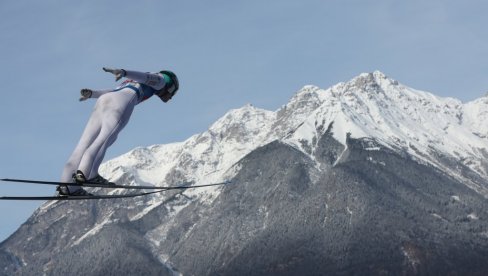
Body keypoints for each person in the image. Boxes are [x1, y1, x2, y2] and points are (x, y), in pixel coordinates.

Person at [57, 67, 179, 196]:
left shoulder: (131, 82)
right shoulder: (160, 80)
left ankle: (67, 186)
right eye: (172, 91)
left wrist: (93, 94)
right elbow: (145, 77)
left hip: (104, 99)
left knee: (84, 143)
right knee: (104, 140)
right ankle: (88, 174)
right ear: (170, 84)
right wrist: (124, 72)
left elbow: (114, 90)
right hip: (121, 103)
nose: (169, 96)